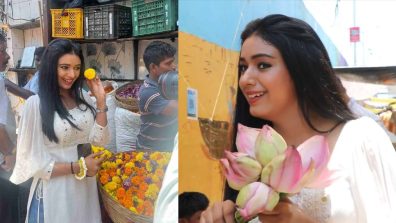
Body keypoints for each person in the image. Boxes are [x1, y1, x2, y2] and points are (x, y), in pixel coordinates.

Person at [200, 14, 396, 223]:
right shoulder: (247, 152)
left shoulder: (360, 139)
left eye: (263, 65)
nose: (245, 79)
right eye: (243, 67)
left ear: (302, 68)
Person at [10, 38, 109, 223]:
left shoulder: (83, 99)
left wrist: (101, 102)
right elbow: (30, 163)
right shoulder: (36, 105)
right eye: (64, 67)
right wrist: (77, 167)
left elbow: (99, 141)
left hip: (84, 191)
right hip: (54, 194)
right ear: (51, 67)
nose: (72, 74)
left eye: (77, 68)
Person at [136, 40, 178, 151]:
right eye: (168, 63)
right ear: (153, 67)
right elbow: (180, 109)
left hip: (167, 147)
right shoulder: (148, 92)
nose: (174, 67)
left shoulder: (167, 83)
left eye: (173, 62)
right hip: (151, 151)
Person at [0, 30, 19, 223]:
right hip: (3, 162)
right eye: (2, 50)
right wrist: (10, 154)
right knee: (7, 211)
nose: (7, 56)